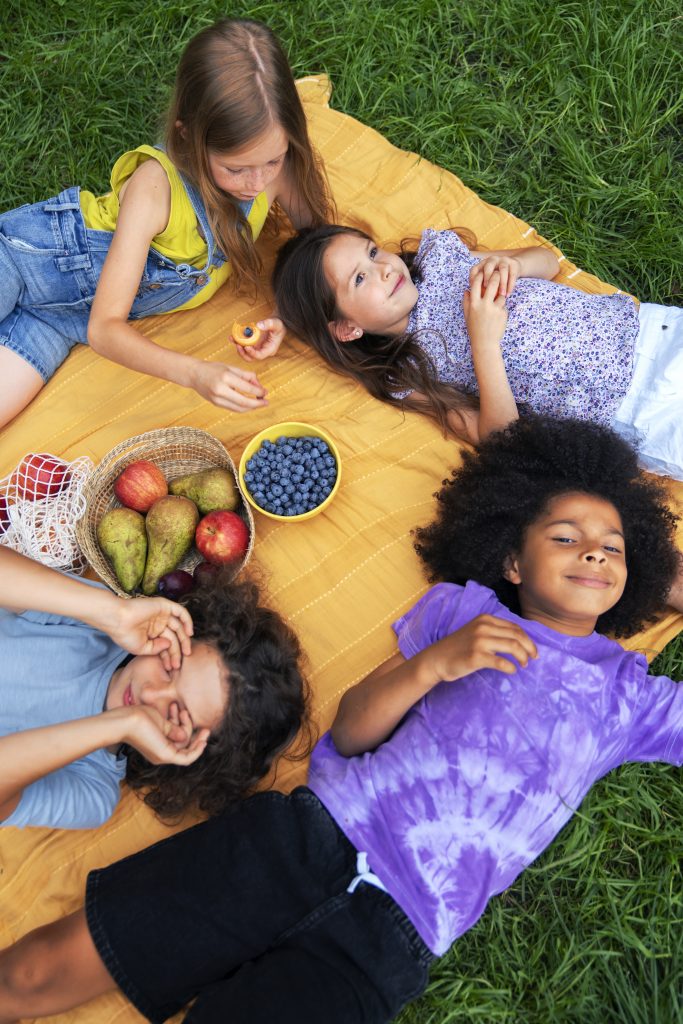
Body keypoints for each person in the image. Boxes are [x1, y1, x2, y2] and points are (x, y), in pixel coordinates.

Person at [0, 417, 681, 1023]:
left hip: (398, 936)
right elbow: (351, 731)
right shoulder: (461, 611)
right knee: (31, 976)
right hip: (306, 836)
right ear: (513, 560)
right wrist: (434, 665)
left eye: (614, 546)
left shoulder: (630, 699)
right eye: (564, 536)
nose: (594, 551)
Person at [0, 17, 332, 428]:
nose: (257, 183)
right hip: (23, 261)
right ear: (187, 136)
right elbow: (105, 327)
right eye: (236, 169)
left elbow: (322, 249)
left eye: (273, 161)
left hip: (57, 321)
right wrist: (195, 373)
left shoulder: (278, 171)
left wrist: (285, 316)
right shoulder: (155, 188)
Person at [269, 224, 683, 481]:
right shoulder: (405, 372)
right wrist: (484, 343)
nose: (384, 269)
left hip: (648, 332)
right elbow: (499, 438)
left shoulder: (438, 260)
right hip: (633, 410)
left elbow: (547, 261)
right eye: (359, 279)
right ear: (346, 328)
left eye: (373, 252)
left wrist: (514, 266)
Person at [0, 547, 307, 829]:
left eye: (176, 713)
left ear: (186, 749)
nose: (149, 694)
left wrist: (122, 724)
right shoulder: (101, 625)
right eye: (169, 668)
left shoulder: (94, 789)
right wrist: (113, 613)